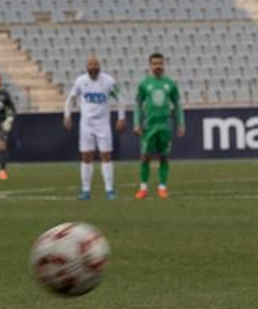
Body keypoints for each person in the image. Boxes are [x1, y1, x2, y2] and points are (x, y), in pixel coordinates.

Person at [63, 55, 124, 200]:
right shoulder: (81, 81)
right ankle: (85, 190)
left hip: (103, 124)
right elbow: (70, 99)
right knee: (86, 156)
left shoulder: (108, 81)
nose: (93, 68)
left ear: (99, 66)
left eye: (95, 65)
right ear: (87, 67)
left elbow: (120, 97)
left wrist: (121, 117)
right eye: (90, 65)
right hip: (86, 124)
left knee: (106, 155)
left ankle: (109, 190)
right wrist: (67, 115)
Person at [134, 53, 186, 198]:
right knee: (145, 157)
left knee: (164, 157)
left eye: (160, 64)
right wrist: (136, 123)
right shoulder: (144, 84)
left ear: (164, 65)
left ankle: (162, 187)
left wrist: (181, 123)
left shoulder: (170, 84)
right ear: (150, 66)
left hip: (165, 126)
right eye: (155, 64)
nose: (157, 66)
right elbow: (138, 105)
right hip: (149, 126)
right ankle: (143, 188)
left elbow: (177, 105)